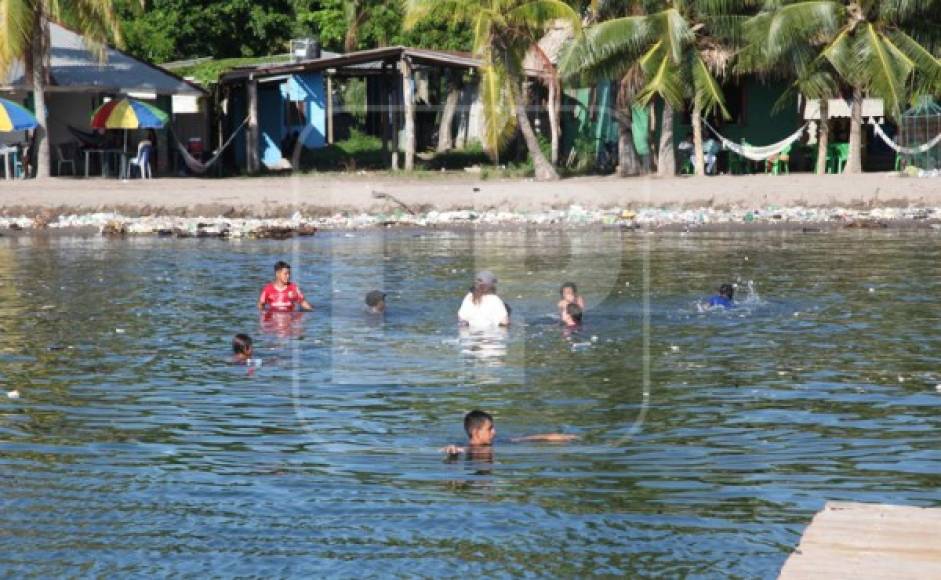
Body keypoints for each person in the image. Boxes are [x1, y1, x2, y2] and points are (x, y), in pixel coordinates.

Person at [442, 410, 578, 456]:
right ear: (476, 432)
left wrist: (554, 437)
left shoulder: (497, 442)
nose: (494, 432)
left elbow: (528, 439)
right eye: (490, 429)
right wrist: (451, 452)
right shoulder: (465, 450)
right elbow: (452, 450)